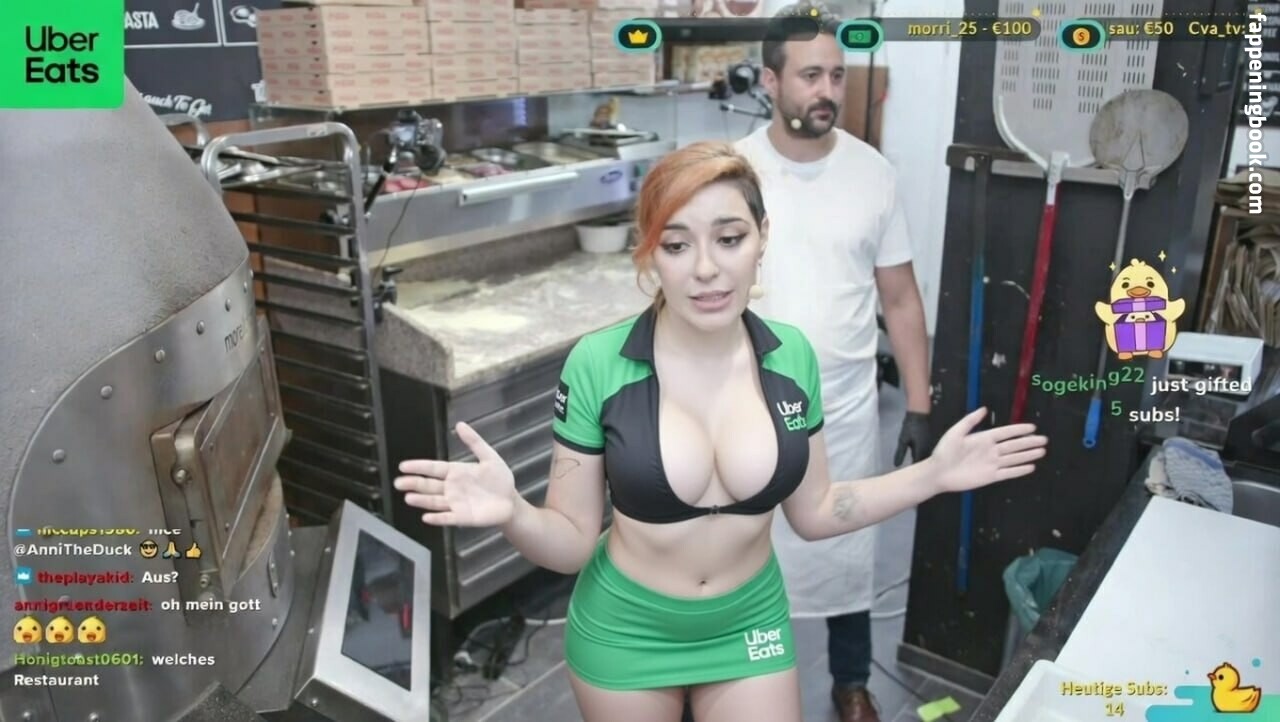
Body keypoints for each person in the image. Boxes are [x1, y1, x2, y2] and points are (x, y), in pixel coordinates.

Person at [394, 142, 1047, 722]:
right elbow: (569, 543)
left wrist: (933, 474)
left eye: (729, 238)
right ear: (650, 255)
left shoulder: (791, 357)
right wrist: (513, 512)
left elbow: (817, 511)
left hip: (748, 623)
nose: (706, 268)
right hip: (627, 630)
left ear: (762, 238)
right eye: (677, 245)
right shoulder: (598, 364)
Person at [732, 4, 935, 720]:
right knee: (746, 557)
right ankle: (744, 684)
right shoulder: (734, 172)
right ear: (770, 81)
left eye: (837, 76)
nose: (827, 91)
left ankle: (850, 684)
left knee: (847, 551)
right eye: (810, 75)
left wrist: (918, 405)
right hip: (744, 408)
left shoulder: (872, 174)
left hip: (842, 409)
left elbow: (901, 298)